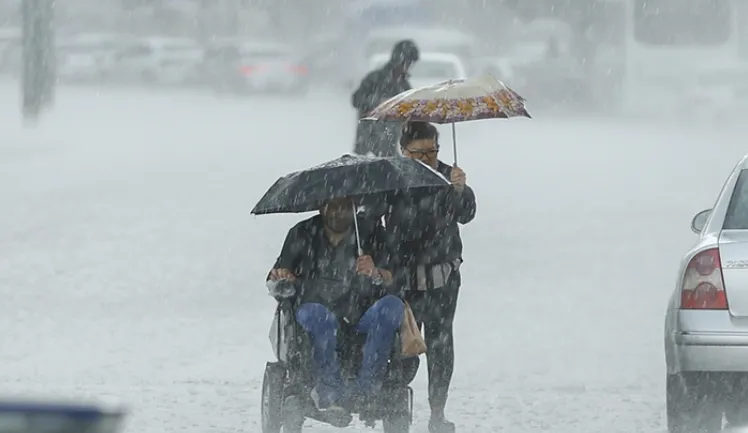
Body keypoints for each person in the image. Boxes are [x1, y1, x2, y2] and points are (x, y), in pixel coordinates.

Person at [266, 197, 403, 416]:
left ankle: (367, 392)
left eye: (345, 207)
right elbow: (277, 275)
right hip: (314, 309)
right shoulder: (301, 233)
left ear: (355, 207)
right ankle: (330, 393)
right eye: (334, 207)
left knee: (392, 306)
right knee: (319, 317)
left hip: (361, 314)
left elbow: (395, 277)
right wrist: (282, 275)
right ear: (322, 207)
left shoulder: (372, 233)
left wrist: (375, 271)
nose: (339, 213)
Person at [383, 121, 477, 433]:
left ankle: (438, 411)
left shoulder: (449, 177)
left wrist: (460, 191)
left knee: (440, 343)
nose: (428, 158)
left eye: (433, 151)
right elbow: (375, 217)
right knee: (405, 345)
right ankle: (396, 406)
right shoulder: (391, 178)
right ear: (403, 151)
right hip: (403, 278)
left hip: (443, 278)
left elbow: (466, 214)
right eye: (419, 153)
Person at [351, 39, 419, 157]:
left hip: (389, 147)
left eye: (410, 64)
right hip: (366, 146)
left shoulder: (404, 86)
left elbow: (409, 113)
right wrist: (377, 102)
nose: (408, 67)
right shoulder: (374, 79)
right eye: (407, 63)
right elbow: (356, 100)